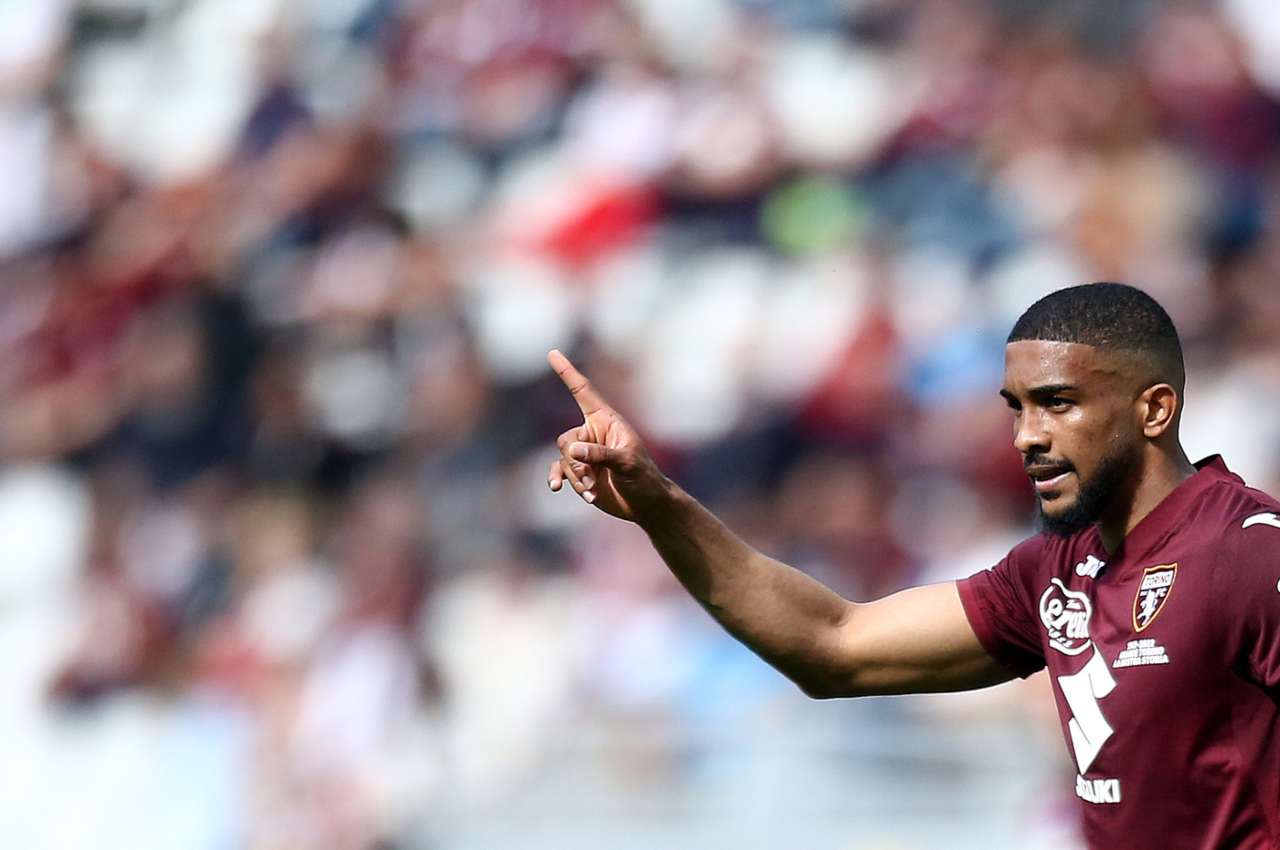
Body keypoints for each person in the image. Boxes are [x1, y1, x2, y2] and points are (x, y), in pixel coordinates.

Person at [547, 282, 1280, 850]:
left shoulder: (1248, 551)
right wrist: (660, 503)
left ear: (1155, 410)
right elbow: (832, 646)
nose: (1026, 437)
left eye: (1057, 403)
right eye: (1017, 407)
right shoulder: (1055, 571)